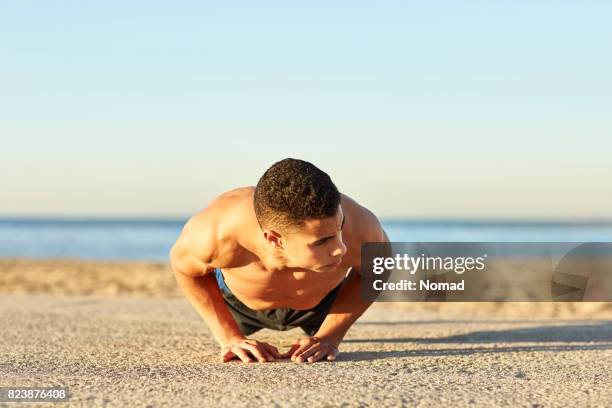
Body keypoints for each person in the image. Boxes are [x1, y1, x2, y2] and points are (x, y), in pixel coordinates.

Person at [169, 158, 388, 363]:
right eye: (321, 242)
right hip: (241, 306)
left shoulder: (362, 227)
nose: (340, 249)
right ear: (274, 239)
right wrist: (228, 337)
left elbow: (378, 269)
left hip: (324, 305)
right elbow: (185, 269)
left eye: (339, 229)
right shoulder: (215, 232)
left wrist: (330, 336)